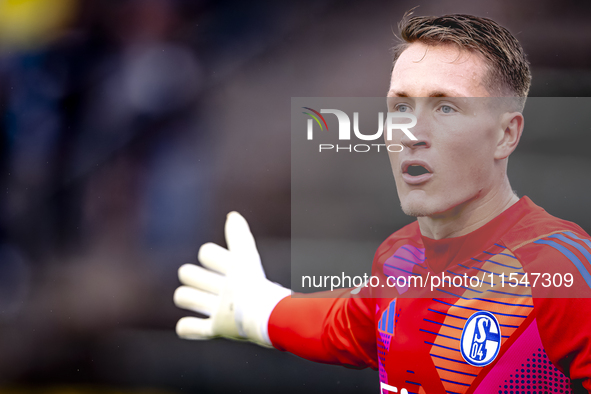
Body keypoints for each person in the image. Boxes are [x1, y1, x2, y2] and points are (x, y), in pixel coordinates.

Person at [173, 13, 591, 392]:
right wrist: (258, 310)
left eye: (446, 107)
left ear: (506, 135)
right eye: (401, 106)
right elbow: (347, 326)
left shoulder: (554, 265)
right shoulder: (398, 258)